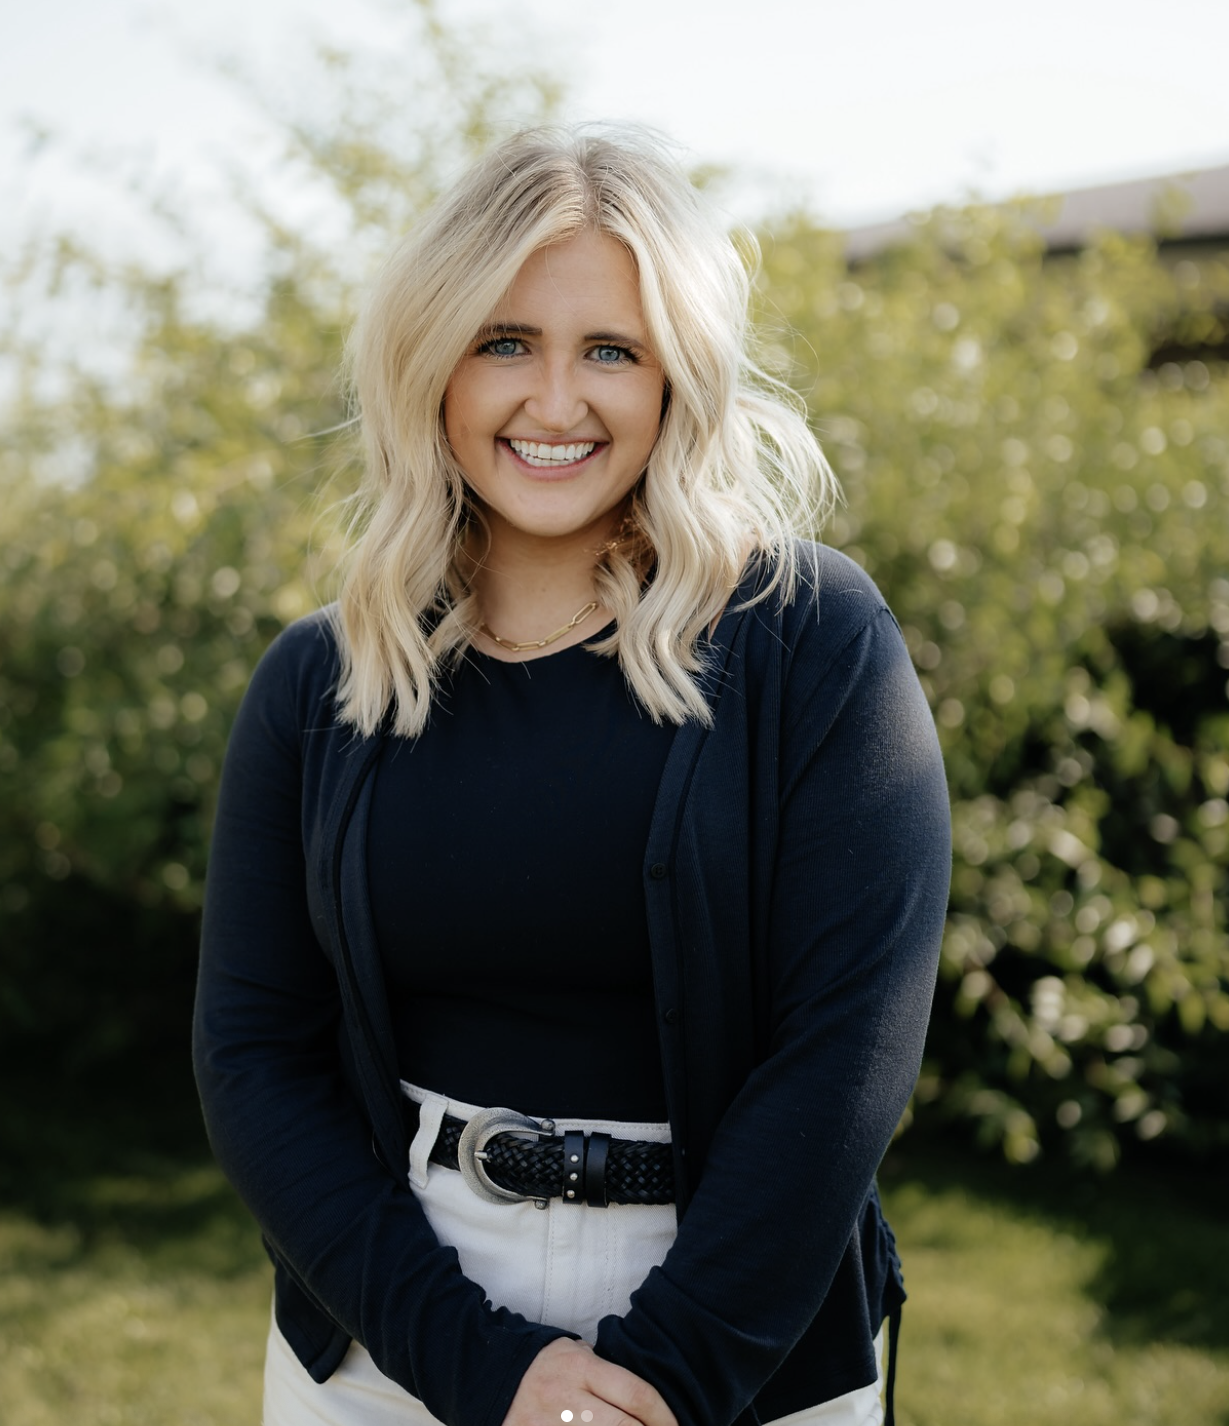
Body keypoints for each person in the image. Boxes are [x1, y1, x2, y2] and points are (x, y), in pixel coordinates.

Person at [193, 123, 952, 1426]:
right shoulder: (318, 682)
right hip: (393, 1323)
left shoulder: (813, 639)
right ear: (430, 361)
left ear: (678, 376)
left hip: (744, 1331)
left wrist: (666, 1371)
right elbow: (253, 1054)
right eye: (503, 341)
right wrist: (475, 1362)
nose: (554, 401)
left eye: (611, 347)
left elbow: (846, 1049)